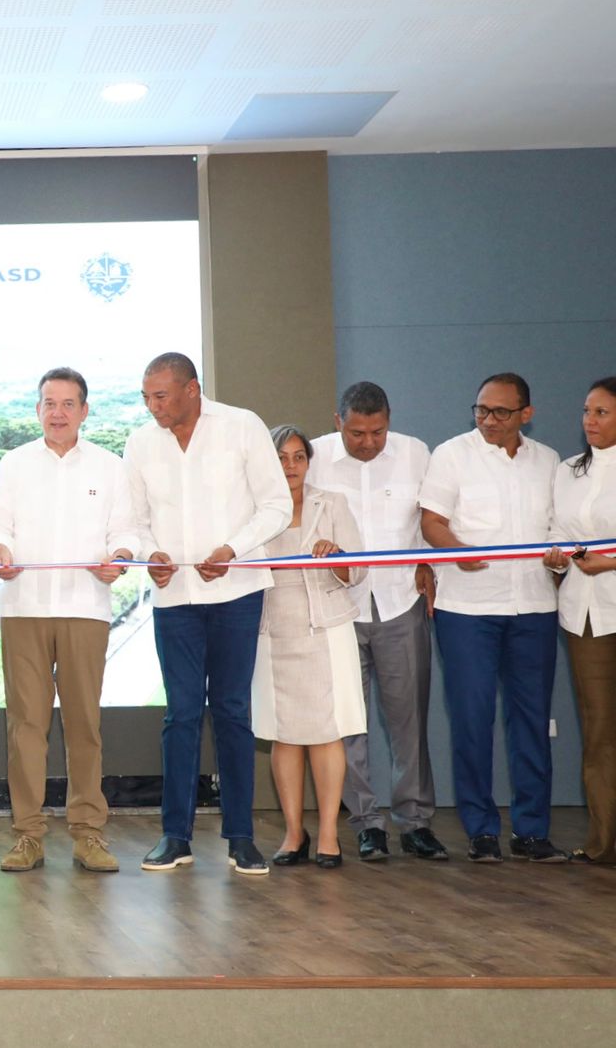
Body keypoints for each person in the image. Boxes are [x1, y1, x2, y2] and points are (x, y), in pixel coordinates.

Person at [124, 352, 290, 875]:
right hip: (175, 598)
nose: (152, 407)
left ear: (192, 389)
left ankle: (241, 837)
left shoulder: (242, 426)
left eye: (161, 396)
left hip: (237, 591)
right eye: (146, 397)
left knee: (234, 711)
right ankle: (175, 836)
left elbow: (277, 505)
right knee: (181, 714)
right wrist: (150, 553)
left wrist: (233, 550)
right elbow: (133, 521)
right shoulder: (140, 442)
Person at [0, 368, 136, 873]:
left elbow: (125, 532)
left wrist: (119, 557)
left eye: (68, 404)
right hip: (24, 608)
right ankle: (27, 835)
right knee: (26, 727)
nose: (58, 413)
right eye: (49, 403)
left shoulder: (109, 467)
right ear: (38, 410)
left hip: (85, 608)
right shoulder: (14, 464)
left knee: (84, 725)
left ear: (84, 411)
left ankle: (89, 833)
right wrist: (0, 550)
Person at [420, 372, 566, 863]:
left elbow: (560, 530)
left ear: (526, 414)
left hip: (534, 607)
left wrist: (559, 558)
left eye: (500, 412)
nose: (487, 420)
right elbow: (431, 522)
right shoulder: (451, 454)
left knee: (532, 721)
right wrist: (456, 550)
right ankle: (481, 831)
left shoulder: (548, 461)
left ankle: (532, 831)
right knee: (471, 719)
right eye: (481, 410)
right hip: (468, 610)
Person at [307, 382, 449, 861]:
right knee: (349, 722)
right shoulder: (315, 458)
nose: (368, 442)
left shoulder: (415, 453)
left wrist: (428, 562)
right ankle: (366, 823)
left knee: (409, 719)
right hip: (339, 606)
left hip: (400, 600)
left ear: (389, 421)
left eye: (378, 432)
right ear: (337, 422)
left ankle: (416, 822)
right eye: (357, 433)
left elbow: (430, 519)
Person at [255, 425, 366, 869]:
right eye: (281, 458)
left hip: (327, 629)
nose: (291, 466)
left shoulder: (332, 503)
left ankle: (328, 836)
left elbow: (358, 569)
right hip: (273, 630)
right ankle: (293, 834)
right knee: (284, 734)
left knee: (326, 732)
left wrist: (337, 555)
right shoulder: (255, 509)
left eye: (298, 457)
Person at [543, 377, 616, 865]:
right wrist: (554, 559)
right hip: (585, 616)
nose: (589, 420)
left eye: (602, 412)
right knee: (599, 729)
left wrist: (609, 563)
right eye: (587, 411)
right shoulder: (567, 470)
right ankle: (604, 843)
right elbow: (556, 535)